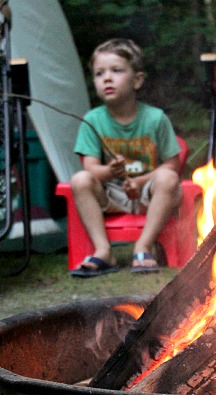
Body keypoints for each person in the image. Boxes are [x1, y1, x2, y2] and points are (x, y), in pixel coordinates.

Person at [69, 38, 182, 277]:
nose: (107, 78)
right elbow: (90, 168)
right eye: (99, 73)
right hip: (111, 194)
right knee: (79, 180)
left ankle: (143, 246)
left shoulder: (155, 118)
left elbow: (172, 164)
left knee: (169, 178)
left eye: (116, 70)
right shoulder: (92, 120)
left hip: (147, 195)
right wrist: (112, 171)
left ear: (137, 80)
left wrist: (139, 182)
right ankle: (103, 251)